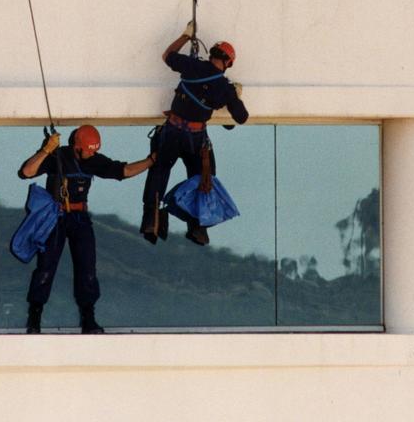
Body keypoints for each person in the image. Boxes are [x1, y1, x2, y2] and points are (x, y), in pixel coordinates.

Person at [18, 124, 154, 334]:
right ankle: (34, 319)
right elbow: (26, 172)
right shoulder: (58, 156)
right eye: (88, 150)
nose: (91, 154)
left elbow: (123, 171)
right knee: (46, 268)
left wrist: (151, 161)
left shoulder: (94, 160)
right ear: (76, 146)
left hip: (80, 218)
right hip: (56, 217)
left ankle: (88, 319)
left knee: (87, 268)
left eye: (94, 150)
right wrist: (46, 149)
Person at [140, 22, 248, 246]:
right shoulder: (224, 87)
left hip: (171, 131)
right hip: (195, 137)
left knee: (159, 171)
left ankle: (152, 219)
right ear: (228, 62)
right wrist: (235, 94)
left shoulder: (192, 67)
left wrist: (185, 36)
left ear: (212, 55)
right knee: (203, 179)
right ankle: (197, 227)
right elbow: (241, 117)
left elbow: (168, 55)